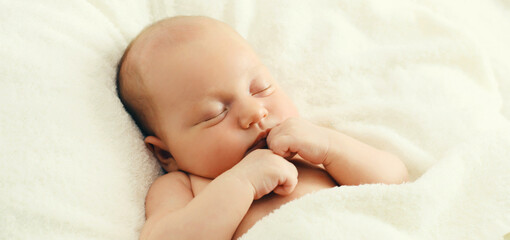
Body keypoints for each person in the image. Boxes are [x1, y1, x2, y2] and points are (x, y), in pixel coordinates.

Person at [116, 15, 408, 240]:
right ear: (166, 154)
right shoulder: (182, 186)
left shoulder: (310, 149)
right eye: (214, 114)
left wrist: (331, 148)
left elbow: (394, 182)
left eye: (261, 89)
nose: (255, 112)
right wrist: (242, 183)